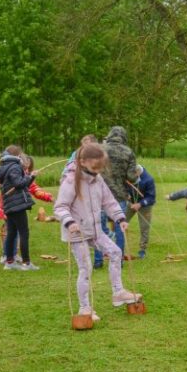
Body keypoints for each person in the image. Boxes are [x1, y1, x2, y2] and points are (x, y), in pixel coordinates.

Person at [54, 143, 142, 321]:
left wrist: (120, 218)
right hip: (77, 232)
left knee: (116, 252)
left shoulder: (98, 179)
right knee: (85, 268)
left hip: (95, 230)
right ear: (82, 162)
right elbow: (60, 207)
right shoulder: (71, 181)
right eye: (95, 167)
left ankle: (118, 292)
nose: (97, 171)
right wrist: (69, 222)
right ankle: (85, 308)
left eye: (101, 168)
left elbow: (109, 201)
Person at [0, 154, 54, 264]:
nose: (27, 169)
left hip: (9, 206)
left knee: (13, 232)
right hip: (11, 206)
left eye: (29, 168)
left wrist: (48, 197)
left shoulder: (19, 173)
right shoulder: (14, 171)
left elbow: (35, 189)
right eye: (25, 167)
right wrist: (30, 177)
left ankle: (11, 256)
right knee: (12, 232)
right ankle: (12, 257)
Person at [94, 126, 137, 269]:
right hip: (119, 195)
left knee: (99, 228)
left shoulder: (100, 149)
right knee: (120, 229)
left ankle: (98, 260)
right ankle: (119, 260)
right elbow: (131, 177)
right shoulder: (128, 152)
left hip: (99, 194)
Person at [0, 145, 39, 271]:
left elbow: (21, 186)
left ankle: (9, 262)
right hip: (16, 205)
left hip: (10, 204)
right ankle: (26, 263)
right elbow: (19, 183)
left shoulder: (6, 166)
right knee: (24, 233)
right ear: (17, 155)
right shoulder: (14, 166)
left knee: (12, 233)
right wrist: (30, 177)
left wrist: (32, 177)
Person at [126, 164, 156, 259]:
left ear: (138, 173)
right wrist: (126, 195)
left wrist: (140, 204)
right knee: (121, 221)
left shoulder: (149, 180)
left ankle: (142, 249)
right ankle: (118, 246)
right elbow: (124, 186)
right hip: (130, 203)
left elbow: (151, 197)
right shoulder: (129, 173)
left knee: (144, 227)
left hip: (145, 206)